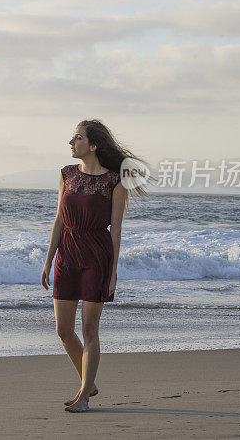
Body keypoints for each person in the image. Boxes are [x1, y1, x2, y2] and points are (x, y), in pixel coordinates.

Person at [40, 119, 150, 413]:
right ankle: (88, 383)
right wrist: (48, 259)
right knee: (63, 329)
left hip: (96, 257)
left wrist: (113, 272)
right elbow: (60, 219)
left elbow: (116, 230)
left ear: (93, 145)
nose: (71, 142)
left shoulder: (115, 180)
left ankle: (84, 395)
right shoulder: (66, 174)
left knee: (89, 328)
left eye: (77, 138)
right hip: (67, 254)